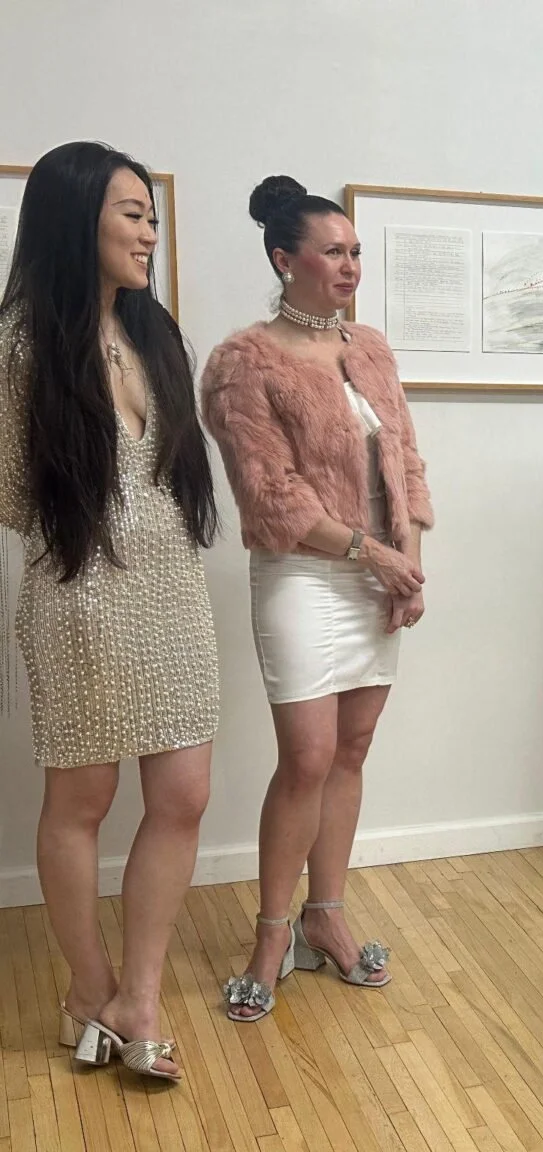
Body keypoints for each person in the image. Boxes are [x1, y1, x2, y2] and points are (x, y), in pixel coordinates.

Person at [0, 141, 220, 1081]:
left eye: (151, 216)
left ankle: (140, 992)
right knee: (82, 800)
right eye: (131, 213)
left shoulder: (157, 332)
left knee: (183, 794)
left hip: (172, 587)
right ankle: (88, 992)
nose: (149, 231)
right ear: (73, 217)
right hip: (78, 589)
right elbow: (11, 496)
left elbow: (176, 472)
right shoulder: (18, 344)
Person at [201, 176, 434, 1021]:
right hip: (306, 572)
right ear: (283, 258)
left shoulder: (370, 350)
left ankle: (324, 916)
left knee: (353, 747)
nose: (350, 267)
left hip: (379, 571)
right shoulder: (241, 361)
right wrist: (372, 554)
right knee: (305, 756)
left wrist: (408, 554)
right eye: (333, 252)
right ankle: (270, 932)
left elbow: (405, 456)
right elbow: (271, 497)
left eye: (356, 252)